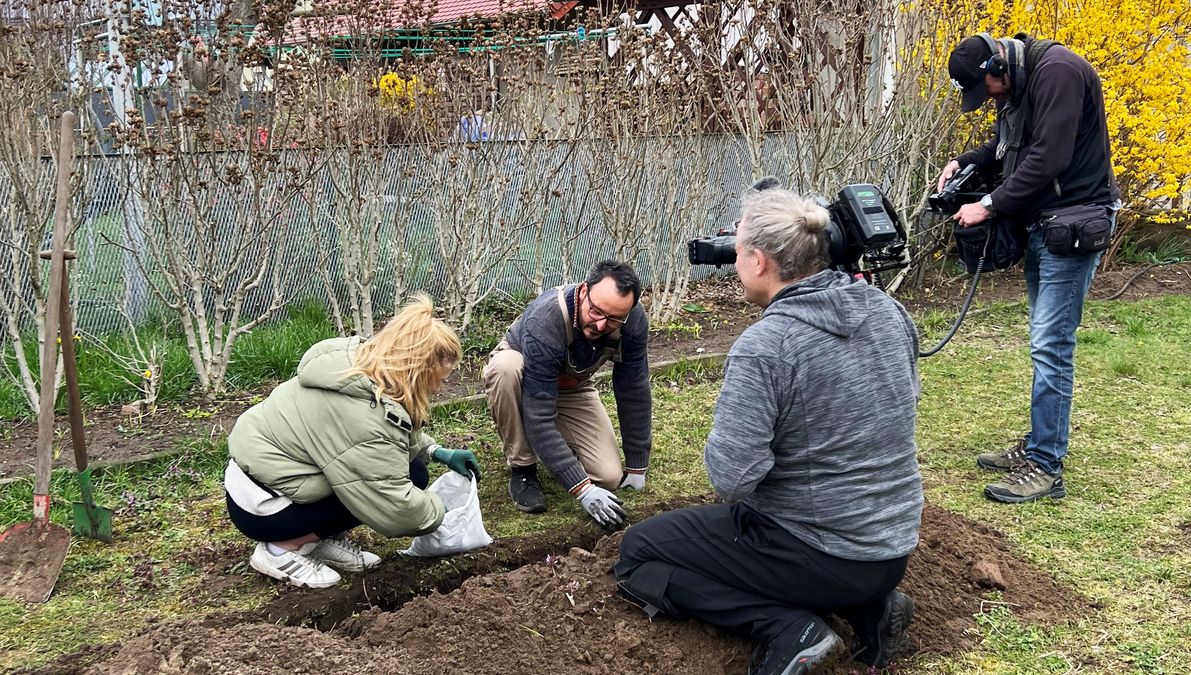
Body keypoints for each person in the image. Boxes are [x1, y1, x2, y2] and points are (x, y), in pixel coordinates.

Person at [614, 180, 924, 674]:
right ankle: (875, 610)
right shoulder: (890, 312)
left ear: (759, 261)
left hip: (820, 552)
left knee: (638, 554)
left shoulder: (768, 344)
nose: (734, 263)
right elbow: (903, 405)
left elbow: (733, 480)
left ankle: (788, 629)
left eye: (737, 251)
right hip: (892, 547)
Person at [942, 32, 1120, 503]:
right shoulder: (1019, 81)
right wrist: (963, 160)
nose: (992, 100)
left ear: (997, 67)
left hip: (1074, 222)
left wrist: (990, 204)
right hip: (1046, 223)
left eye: (990, 91)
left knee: (1051, 344)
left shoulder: (1057, 71)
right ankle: (1040, 442)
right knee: (1045, 342)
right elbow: (1006, 146)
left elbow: (1049, 156)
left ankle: (1045, 464)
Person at [223, 296, 482, 588]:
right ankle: (280, 549)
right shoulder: (363, 414)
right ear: (417, 370)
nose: (441, 386)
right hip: (262, 507)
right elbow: (391, 506)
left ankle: (316, 541)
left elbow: (392, 441)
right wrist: (442, 512)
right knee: (380, 491)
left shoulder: (361, 369)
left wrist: (435, 451)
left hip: (269, 479)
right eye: (440, 378)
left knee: (414, 472)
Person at [483, 260, 651, 527]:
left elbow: (634, 389)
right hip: (526, 377)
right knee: (505, 369)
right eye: (596, 312)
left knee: (608, 477)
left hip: (572, 385)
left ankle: (558, 451)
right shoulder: (547, 318)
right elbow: (538, 415)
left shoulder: (633, 321)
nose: (600, 325)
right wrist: (582, 490)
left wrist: (637, 464)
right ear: (584, 291)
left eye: (613, 320)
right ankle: (523, 468)